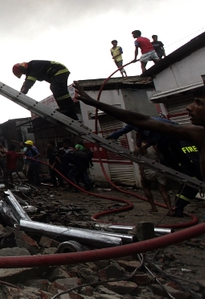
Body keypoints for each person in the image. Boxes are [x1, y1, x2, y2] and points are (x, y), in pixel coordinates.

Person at [73, 81, 205, 216]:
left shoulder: (189, 133)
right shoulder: (197, 133)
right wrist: (93, 103)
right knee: (175, 162)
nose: (189, 107)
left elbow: (144, 123)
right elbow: (135, 120)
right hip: (165, 147)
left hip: (167, 143)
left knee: (171, 153)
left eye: (198, 103)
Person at [107, 117, 201, 217]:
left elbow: (154, 140)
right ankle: (173, 206)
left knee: (164, 147)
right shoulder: (137, 125)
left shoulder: (152, 127)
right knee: (172, 154)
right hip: (170, 146)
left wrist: (142, 148)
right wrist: (113, 136)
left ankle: (157, 206)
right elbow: (127, 131)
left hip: (169, 138)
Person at [12, 60, 77, 119]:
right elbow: (26, 82)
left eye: (23, 72)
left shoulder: (34, 66)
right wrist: (20, 93)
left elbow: (29, 82)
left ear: (23, 68)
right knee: (57, 90)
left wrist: (21, 94)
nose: (24, 74)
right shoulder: (30, 70)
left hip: (60, 71)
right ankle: (67, 110)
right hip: (56, 74)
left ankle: (69, 109)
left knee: (57, 89)